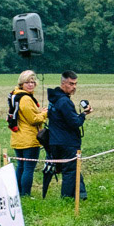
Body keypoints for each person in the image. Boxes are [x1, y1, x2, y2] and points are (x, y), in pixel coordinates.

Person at [44, 71, 91, 200]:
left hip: (55, 141)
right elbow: (74, 123)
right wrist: (83, 115)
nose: (74, 87)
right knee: (70, 171)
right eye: (71, 83)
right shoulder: (64, 101)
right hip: (67, 143)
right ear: (63, 83)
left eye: (75, 84)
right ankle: (66, 199)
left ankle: (81, 195)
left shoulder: (54, 99)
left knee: (74, 168)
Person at [8, 69, 48, 197]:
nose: (31, 84)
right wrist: (45, 113)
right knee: (28, 168)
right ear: (21, 84)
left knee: (21, 167)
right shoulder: (26, 99)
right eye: (27, 82)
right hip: (29, 138)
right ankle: (25, 195)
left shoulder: (16, 95)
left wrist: (38, 111)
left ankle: (17, 194)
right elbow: (33, 119)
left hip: (18, 137)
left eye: (33, 82)